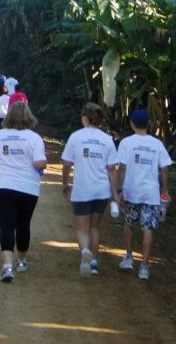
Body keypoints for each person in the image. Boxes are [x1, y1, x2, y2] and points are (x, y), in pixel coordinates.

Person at [0, 102, 47, 282]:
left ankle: (7, 267)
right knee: (23, 225)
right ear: (28, 116)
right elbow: (39, 163)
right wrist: (43, 164)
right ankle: (21, 261)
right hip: (28, 188)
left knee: (6, 225)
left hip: (3, 187)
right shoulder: (34, 138)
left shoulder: (0, 135)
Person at [61, 103, 119, 277]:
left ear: (85, 118)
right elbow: (112, 169)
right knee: (94, 226)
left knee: (81, 229)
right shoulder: (107, 140)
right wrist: (115, 194)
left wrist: (65, 183)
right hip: (101, 190)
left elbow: (66, 165)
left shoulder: (76, 137)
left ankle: (84, 251)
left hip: (82, 190)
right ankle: (93, 262)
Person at [116, 109, 171, 281]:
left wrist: (119, 190)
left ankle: (129, 257)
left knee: (129, 223)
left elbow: (122, 168)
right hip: (151, 193)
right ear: (149, 123)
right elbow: (164, 170)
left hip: (131, 191)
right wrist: (165, 191)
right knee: (148, 229)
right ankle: (145, 267)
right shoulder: (157, 144)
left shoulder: (126, 143)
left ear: (132, 123)